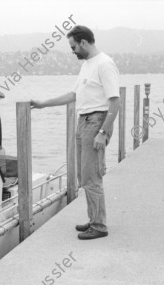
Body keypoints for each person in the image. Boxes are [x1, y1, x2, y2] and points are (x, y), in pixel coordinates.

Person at [30, 25, 120, 240]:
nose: (73, 52)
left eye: (73, 47)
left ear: (84, 42)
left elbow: (115, 103)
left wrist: (103, 132)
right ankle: (94, 218)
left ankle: (99, 225)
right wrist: (44, 104)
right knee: (84, 175)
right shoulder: (88, 65)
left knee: (92, 176)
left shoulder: (105, 64)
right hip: (84, 121)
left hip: (96, 122)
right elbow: (73, 94)